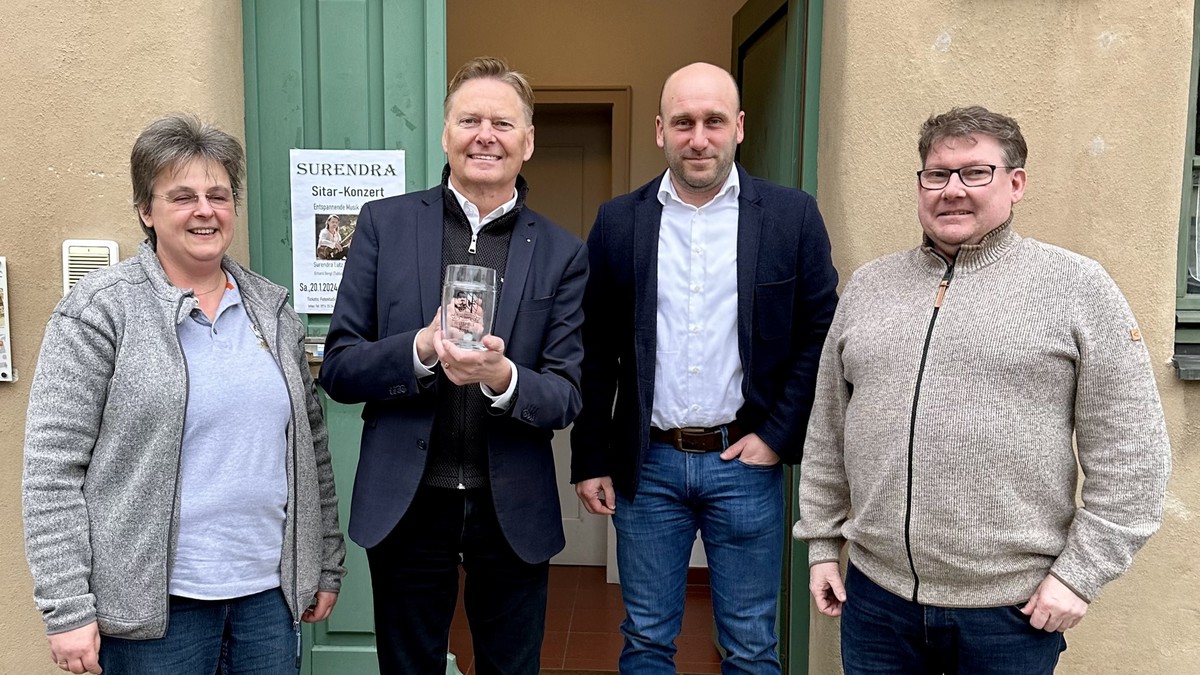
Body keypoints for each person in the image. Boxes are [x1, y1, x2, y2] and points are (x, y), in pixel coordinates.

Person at [794, 106, 1172, 674]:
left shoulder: (1076, 287)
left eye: (975, 173)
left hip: (1009, 613)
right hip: (876, 602)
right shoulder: (871, 286)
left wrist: (1079, 576)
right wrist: (823, 544)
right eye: (937, 174)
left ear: (1015, 183)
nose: (952, 190)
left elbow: (1133, 454)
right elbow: (829, 430)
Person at [22, 114, 346, 675]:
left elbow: (312, 451)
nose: (205, 210)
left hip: (267, 601)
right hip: (156, 614)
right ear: (147, 212)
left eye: (218, 195)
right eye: (183, 196)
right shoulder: (102, 312)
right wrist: (67, 607)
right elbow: (52, 470)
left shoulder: (273, 314)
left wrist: (325, 561)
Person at [320, 56, 587, 675]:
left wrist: (503, 379)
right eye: (469, 120)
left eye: (502, 122)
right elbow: (338, 366)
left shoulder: (563, 251)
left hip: (511, 504)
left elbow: (568, 392)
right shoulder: (383, 226)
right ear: (445, 134)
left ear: (528, 141)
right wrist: (416, 350)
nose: (484, 135)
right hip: (408, 504)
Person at [570, 62, 839, 673]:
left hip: (742, 464)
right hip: (649, 466)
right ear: (660, 130)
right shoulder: (619, 221)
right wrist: (591, 458)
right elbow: (594, 347)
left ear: (738, 127)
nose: (699, 138)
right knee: (645, 640)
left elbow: (820, 333)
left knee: (750, 645)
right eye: (684, 122)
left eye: (714, 121)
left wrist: (775, 437)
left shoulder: (791, 216)